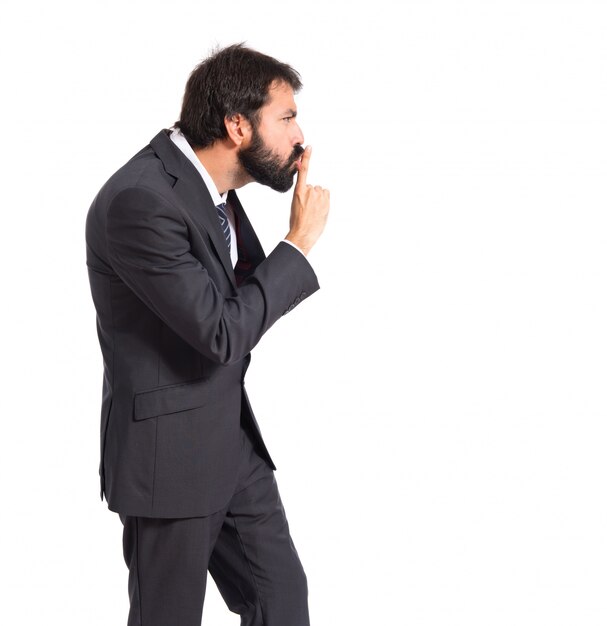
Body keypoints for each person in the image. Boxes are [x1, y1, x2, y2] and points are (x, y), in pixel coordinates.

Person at [85, 43, 329, 626]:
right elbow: (221, 332)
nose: (301, 138)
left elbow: (237, 295)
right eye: (288, 118)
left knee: (281, 601)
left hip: (231, 443)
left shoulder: (213, 187)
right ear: (237, 125)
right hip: (167, 459)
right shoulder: (141, 202)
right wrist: (296, 245)